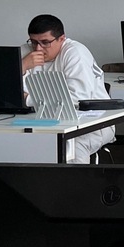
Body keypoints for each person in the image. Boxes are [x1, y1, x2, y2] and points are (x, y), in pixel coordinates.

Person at [21, 14, 113, 163]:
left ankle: (76, 180)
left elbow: (77, 99)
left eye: (45, 42)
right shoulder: (26, 53)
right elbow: (10, 93)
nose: (38, 48)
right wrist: (22, 67)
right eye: (33, 42)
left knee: (71, 148)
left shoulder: (75, 53)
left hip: (92, 122)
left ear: (61, 39)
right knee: (6, 143)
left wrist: (28, 99)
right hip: (41, 121)